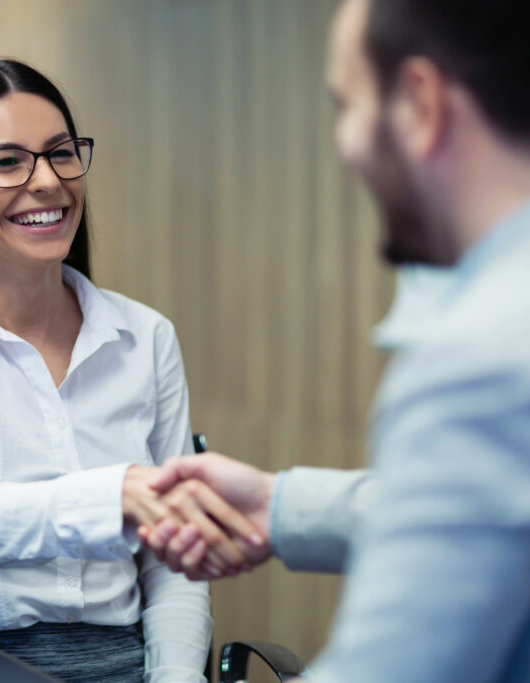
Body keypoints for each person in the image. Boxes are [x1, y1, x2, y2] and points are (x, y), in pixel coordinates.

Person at [141, 1, 530, 681]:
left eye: (347, 106)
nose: (346, 147)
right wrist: (277, 502)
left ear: (420, 103)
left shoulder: (475, 362)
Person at [0, 59, 262, 682]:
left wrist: (177, 677)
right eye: (8, 161)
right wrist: (115, 498)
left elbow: (172, 565)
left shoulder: (145, 338)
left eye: (62, 154)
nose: (47, 181)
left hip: (124, 660)